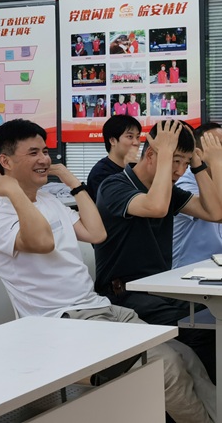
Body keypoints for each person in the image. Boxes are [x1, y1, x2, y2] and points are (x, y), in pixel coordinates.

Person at [0, 118, 215, 423]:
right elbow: (42, 241)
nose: (45, 159)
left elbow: (96, 233)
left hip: (98, 308)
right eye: (33, 153)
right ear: (5, 161)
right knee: (167, 366)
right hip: (62, 323)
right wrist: (12, 191)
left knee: (187, 357)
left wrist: (74, 183)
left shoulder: (49, 201)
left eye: (45, 151)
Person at [95, 120, 222, 381]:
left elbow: (215, 213)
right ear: (152, 154)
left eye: (185, 163)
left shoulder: (169, 190)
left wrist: (199, 165)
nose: (179, 170)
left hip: (159, 290)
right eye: (175, 161)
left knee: (214, 319)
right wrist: (165, 153)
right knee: (203, 331)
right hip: (124, 294)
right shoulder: (113, 186)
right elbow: (156, 207)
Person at [173, 123, 222, 268]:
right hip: (186, 271)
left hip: (214, 268)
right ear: (199, 153)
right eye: (217, 146)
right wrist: (216, 163)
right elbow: (219, 214)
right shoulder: (184, 182)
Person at [86, 115, 141, 199]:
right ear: (112, 141)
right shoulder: (101, 173)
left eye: (138, 137)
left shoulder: (136, 166)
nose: (136, 142)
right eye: (130, 137)